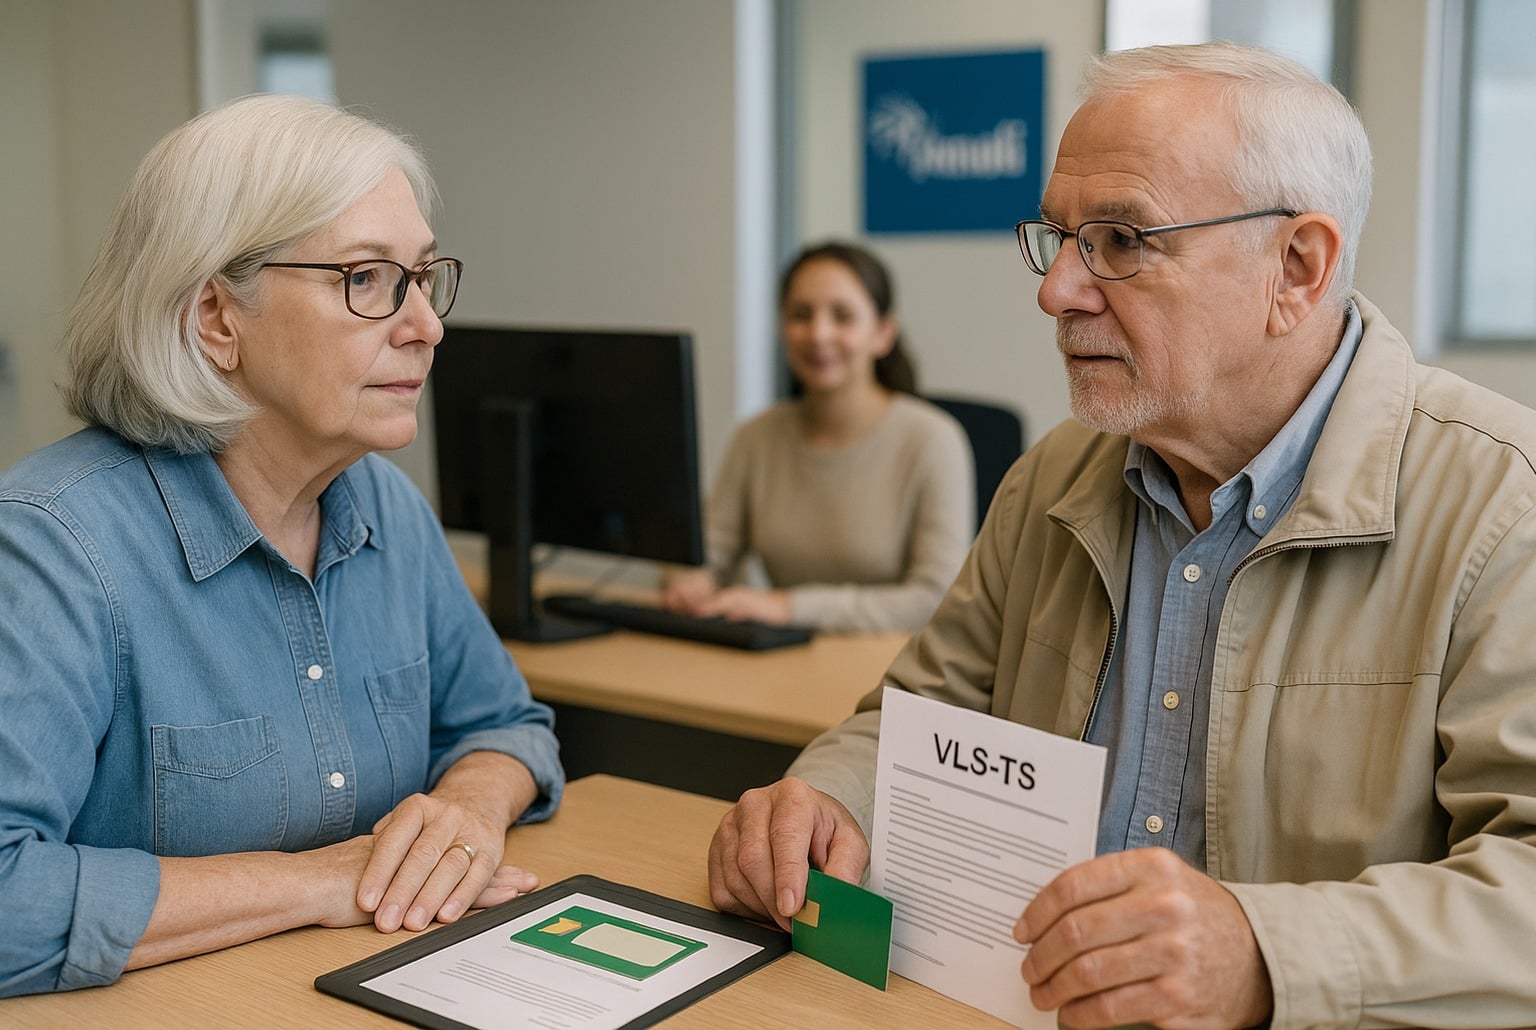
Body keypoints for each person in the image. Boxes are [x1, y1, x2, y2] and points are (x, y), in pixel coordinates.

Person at [706, 41, 1536, 1029]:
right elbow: (917, 714)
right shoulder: (1056, 477)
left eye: (1123, 240)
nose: (1057, 290)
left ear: (1297, 270)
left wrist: (1266, 955)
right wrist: (824, 796)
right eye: (1058, 236)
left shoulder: (1501, 506)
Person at [0, 95, 564, 997]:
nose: (427, 325)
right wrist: (324, 879)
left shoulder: (386, 506)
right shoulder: (51, 549)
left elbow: (505, 727)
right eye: (367, 280)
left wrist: (468, 808)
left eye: (423, 278)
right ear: (217, 318)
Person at [662, 241, 974, 633]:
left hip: (888, 674)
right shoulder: (754, 437)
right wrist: (690, 581)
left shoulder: (933, 440)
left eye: (842, 316)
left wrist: (787, 607)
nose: (818, 333)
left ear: (882, 334)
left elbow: (933, 599)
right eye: (800, 315)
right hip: (779, 664)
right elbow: (703, 555)